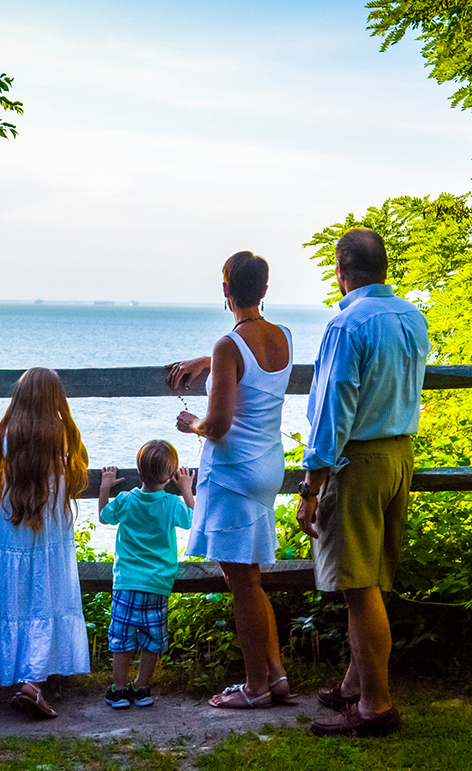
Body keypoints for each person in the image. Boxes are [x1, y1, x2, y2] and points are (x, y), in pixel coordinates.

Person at [295, 228, 429, 738]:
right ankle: (356, 685)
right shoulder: (410, 317)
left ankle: (375, 706)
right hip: (400, 455)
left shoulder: (347, 325)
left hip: (359, 461)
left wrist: (311, 488)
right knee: (372, 579)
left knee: (357, 585)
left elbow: (333, 412)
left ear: (340, 270)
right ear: (385, 269)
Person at [166, 250, 295, 709]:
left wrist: (190, 424)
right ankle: (275, 674)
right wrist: (210, 360)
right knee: (251, 577)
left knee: (242, 584)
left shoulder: (229, 345)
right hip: (267, 466)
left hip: (234, 472)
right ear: (263, 289)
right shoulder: (283, 337)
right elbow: (250, 371)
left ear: (225, 289)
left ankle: (255, 687)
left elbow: (217, 425)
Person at [0, 367, 92, 718]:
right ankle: (33, 681)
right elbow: (77, 474)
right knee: (47, 596)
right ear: (56, 398)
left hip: (15, 526)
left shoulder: (9, 432)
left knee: (18, 598)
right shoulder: (62, 433)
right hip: (52, 527)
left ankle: (23, 674)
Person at [97, 441, 196, 709]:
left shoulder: (127, 499)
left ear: (139, 471)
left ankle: (119, 690)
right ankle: (142, 688)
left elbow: (104, 518)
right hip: (158, 583)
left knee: (121, 637)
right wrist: (186, 488)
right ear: (171, 474)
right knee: (153, 637)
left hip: (127, 582)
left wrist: (105, 485)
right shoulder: (172, 503)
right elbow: (192, 519)